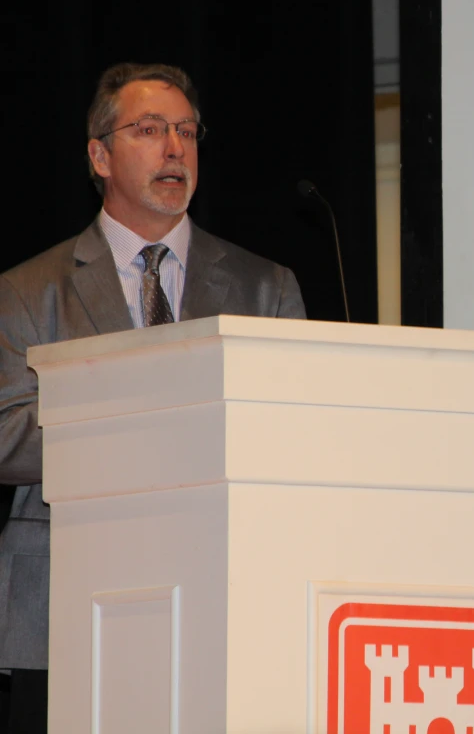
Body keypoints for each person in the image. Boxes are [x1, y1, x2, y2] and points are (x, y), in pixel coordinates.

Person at [0, 61, 306, 732]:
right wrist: (148, 432)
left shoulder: (266, 287)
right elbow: (8, 435)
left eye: (188, 131)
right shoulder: (28, 288)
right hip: (65, 604)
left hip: (227, 594)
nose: (176, 147)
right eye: (150, 129)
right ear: (100, 154)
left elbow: (294, 432)